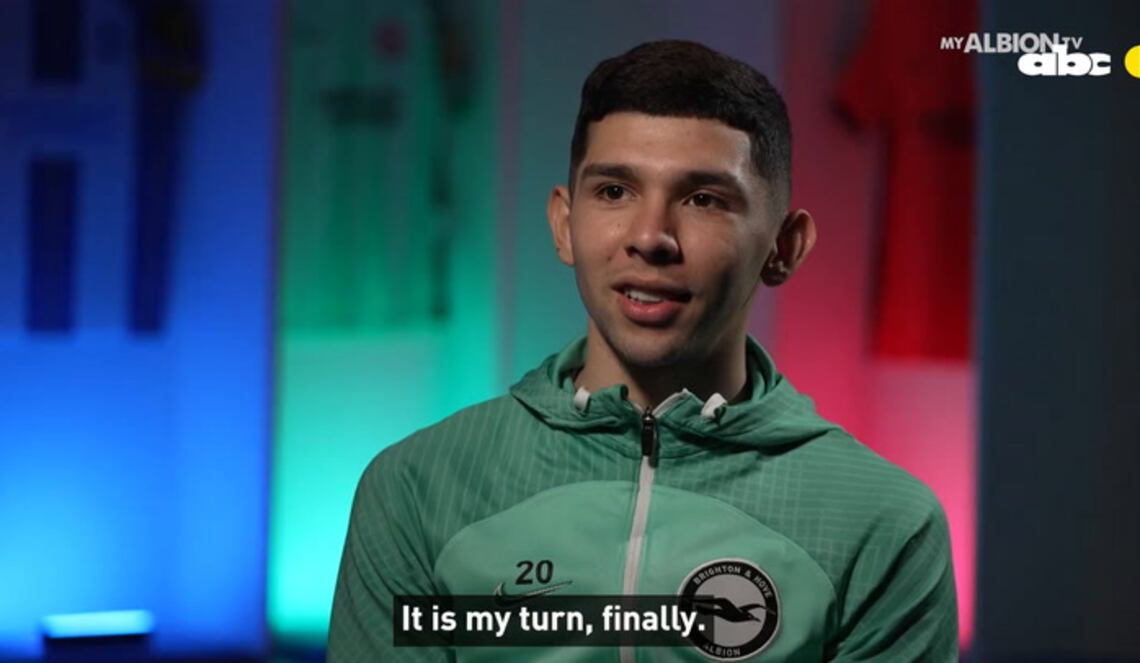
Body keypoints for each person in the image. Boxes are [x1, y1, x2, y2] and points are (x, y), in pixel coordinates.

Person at [328, 39, 958, 662]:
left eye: (704, 199)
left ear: (783, 247)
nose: (651, 237)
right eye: (614, 192)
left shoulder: (881, 523)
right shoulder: (418, 490)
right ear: (564, 225)